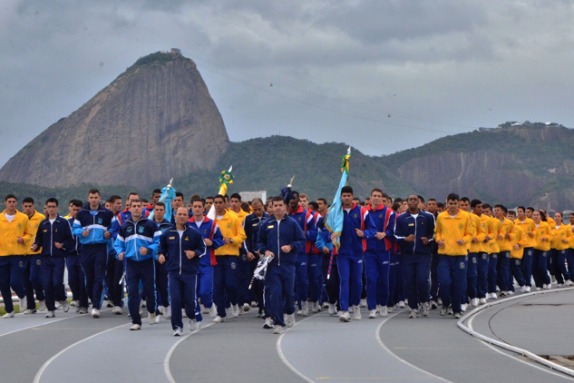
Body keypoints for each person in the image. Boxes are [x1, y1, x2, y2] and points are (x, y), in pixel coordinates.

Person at [257, 196, 306, 334]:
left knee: (288, 293)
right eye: (275, 205)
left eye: (280, 205)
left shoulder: (292, 223)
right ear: (271, 207)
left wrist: (291, 247)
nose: (277, 207)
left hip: (288, 265)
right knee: (275, 294)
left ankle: (290, 311)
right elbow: (259, 242)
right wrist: (265, 250)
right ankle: (279, 323)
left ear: (285, 207)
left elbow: (301, 240)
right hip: (272, 267)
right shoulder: (266, 224)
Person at [158, 206, 206, 336]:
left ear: (187, 216)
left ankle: (192, 317)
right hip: (173, 273)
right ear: (175, 216)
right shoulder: (167, 233)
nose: (182, 216)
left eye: (184, 214)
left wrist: (194, 253)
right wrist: (161, 255)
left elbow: (203, 249)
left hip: (189, 273)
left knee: (189, 301)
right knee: (175, 300)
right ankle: (177, 327)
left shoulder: (194, 233)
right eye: (179, 214)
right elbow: (161, 248)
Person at [114, 199, 161, 331]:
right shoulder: (125, 227)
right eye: (133, 206)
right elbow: (118, 244)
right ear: (129, 208)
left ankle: (152, 310)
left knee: (150, 291)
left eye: (138, 206)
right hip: (131, 263)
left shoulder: (150, 225)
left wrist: (149, 249)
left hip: (146, 262)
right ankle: (136, 321)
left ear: (142, 208)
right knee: (132, 292)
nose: (136, 208)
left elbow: (159, 242)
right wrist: (120, 253)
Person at [333, 186, 375, 322]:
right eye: (343, 196)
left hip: (357, 253)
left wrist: (364, 233)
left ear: (352, 196)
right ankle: (345, 310)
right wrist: (331, 236)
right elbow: (327, 228)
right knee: (344, 280)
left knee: (357, 281)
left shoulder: (362, 212)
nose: (346, 198)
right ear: (341, 197)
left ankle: (356, 305)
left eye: (348, 195)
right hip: (342, 253)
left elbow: (372, 228)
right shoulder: (336, 212)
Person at [72, 189, 114, 318]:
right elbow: (75, 229)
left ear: (100, 198)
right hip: (86, 248)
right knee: (89, 279)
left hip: (101, 248)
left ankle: (96, 306)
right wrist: (81, 233)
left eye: (96, 197)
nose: (94, 199)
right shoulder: (82, 214)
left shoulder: (107, 213)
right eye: (91, 197)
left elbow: (114, 228)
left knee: (99, 277)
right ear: (88, 198)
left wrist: (109, 233)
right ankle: (92, 297)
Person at [31, 198, 74, 318]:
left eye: (53, 206)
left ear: (57, 208)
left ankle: (63, 299)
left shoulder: (63, 223)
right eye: (49, 206)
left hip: (58, 258)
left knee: (57, 283)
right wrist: (35, 246)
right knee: (46, 283)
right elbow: (38, 240)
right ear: (46, 208)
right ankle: (51, 309)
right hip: (45, 258)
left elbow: (70, 240)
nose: (51, 209)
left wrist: (62, 245)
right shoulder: (43, 223)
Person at [394, 194, 435, 318]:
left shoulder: (428, 217)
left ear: (419, 202)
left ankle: (424, 302)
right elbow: (396, 235)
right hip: (407, 255)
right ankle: (413, 307)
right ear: (406, 202)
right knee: (409, 281)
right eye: (410, 200)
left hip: (423, 255)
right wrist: (405, 239)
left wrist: (428, 240)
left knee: (423, 280)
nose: (412, 202)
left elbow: (435, 233)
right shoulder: (401, 218)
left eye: (415, 200)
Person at [434, 193, 473, 319]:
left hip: (460, 255)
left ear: (458, 204)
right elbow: (437, 232)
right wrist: (438, 240)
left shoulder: (465, 216)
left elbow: (470, 234)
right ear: (447, 204)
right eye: (450, 203)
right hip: (444, 255)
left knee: (458, 283)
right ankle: (446, 303)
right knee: (444, 282)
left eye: (455, 203)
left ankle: (456, 309)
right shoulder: (441, 216)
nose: (452, 206)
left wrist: (464, 240)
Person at [212, 194, 247, 322]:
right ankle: (221, 313)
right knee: (217, 285)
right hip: (216, 255)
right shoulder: (211, 219)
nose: (218, 205)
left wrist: (231, 240)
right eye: (215, 203)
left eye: (220, 202)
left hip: (231, 255)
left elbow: (242, 236)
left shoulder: (233, 218)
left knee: (231, 284)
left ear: (225, 203)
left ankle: (234, 302)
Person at [188, 197, 223, 321]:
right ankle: (197, 317)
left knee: (205, 292)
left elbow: (220, 240)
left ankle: (209, 304)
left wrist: (211, 242)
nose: (197, 209)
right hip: (191, 264)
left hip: (207, 262)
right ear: (191, 208)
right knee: (193, 293)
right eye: (195, 206)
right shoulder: (187, 224)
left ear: (204, 208)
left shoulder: (211, 224)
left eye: (199, 207)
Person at [0, 194, 32, 318]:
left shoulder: (23, 218)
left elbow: (29, 234)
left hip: (18, 254)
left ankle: (22, 295)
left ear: (16, 203)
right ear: (5, 203)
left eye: (13, 201)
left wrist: (23, 239)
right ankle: (10, 310)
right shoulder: (0, 218)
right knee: (3, 283)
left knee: (14, 281)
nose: (11, 203)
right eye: (9, 201)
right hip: (2, 255)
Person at [365, 188, 395, 318]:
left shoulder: (389, 212)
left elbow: (392, 230)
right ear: (370, 198)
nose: (376, 198)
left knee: (383, 279)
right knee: (371, 279)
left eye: (378, 196)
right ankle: (372, 307)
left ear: (382, 198)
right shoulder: (364, 212)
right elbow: (360, 228)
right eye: (374, 196)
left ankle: (383, 304)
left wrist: (385, 234)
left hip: (383, 251)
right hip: (368, 251)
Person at [242, 197, 268, 316]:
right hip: (253, 256)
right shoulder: (248, 219)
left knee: (264, 282)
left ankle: (264, 306)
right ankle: (259, 304)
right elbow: (244, 238)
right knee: (255, 281)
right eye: (255, 210)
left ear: (263, 206)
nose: (257, 212)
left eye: (259, 209)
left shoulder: (268, 218)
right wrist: (248, 252)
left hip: (265, 256)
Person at [21, 197, 46, 314]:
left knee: (34, 277)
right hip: (23, 253)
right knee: (26, 281)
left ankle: (41, 298)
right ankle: (31, 306)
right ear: (22, 207)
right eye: (25, 206)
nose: (28, 208)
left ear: (33, 206)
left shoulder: (40, 218)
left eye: (30, 206)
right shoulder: (20, 219)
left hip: (37, 253)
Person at [64, 199, 89, 313]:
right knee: (72, 280)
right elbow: (63, 237)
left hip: (83, 254)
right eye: (73, 210)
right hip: (71, 255)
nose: (75, 212)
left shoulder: (86, 222)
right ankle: (77, 298)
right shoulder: (67, 223)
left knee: (82, 280)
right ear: (70, 209)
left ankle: (84, 305)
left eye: (78, 210)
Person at [151, 202, 174, 320]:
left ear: (165, 211)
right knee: (151, 285)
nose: (159, 212)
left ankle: (165, 304)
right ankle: (155, 308)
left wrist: (166, 255)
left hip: (164, 259)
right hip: (150, 258)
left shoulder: (169, 226)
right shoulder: (148, 225)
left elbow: (171, 243)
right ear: (153, 211)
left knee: (163, 285)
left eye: (161, 209)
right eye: (157, 209)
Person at [514, 206, 536, 292]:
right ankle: (522, 282)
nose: (519, 213)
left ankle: (528, 284)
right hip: (519, 247)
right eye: (518, 212)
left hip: (529, 246)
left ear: (524, 213)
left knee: (527, 264)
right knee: (520, 265)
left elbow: (535, 231)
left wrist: (532, 233)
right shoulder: (515, 222)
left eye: (520, 212)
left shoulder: (530, 221)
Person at [531, 210, 551, 290]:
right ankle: (538, 284)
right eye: (534, 215)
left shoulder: (545, 225)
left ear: (541, 217)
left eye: (537, 215)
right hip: (533, 248)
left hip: (544, 249)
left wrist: (545, 237)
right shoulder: (530, 225)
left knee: (541, 267)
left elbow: (551, 235)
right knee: (534, 268)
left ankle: (547, 281)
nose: (535, 216)